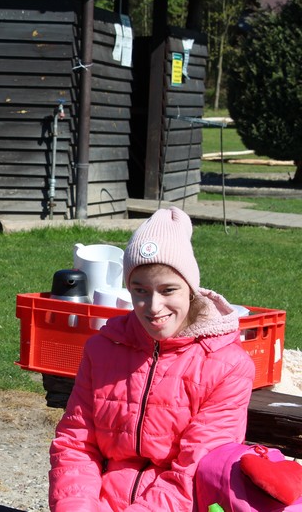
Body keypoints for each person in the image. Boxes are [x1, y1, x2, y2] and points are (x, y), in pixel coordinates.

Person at [48, 206, 255, 512]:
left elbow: (194, 471)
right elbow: (76, 443)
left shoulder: (228, 366)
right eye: (140, 291)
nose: (154, 306)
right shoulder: (102, 349)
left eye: (168, 290)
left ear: (191, 289)